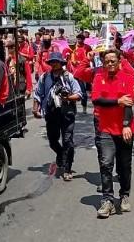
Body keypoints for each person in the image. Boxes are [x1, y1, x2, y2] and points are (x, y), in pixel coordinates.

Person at [74, 49, 134, 218]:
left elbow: (129, 103)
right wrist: (118, 101)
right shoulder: (98, 77)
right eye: (106, 61)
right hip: (105, 128)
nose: (109, 64)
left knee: (124, 165)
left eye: (113, 61)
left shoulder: (128, 77)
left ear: (119, 61)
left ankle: (124, 195)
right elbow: (96, 99)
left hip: (125, 128)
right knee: (106, 163)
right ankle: (107, 199)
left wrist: (125, 125)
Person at [32, 52, 82, 180]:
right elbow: (38, 94)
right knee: (53, 141)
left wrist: (67, 97)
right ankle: (60, 154)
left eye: (56, 61)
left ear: (61, 63)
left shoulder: (68, 77)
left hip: (67, 114)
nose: (54, 64)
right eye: (52, 62)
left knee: (67, 141)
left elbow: (78, 94)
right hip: (51, 114)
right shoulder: (45, 77)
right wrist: (35, 108)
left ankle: (68, 168)